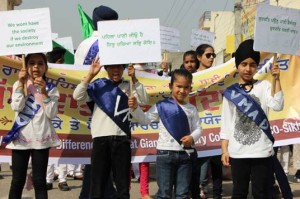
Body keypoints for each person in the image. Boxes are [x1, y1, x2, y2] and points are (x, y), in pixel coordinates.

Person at [73, 57, 149, 199]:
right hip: (100, 138)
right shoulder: (98, 85)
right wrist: (90, 75)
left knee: (122, 185)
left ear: (123, 68)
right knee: (98, 185)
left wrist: (134, 79)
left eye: (119, 67)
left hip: (122, 139)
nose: (116, 70)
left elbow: (145, 100)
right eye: (112, 67)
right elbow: (77, 95)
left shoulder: (129, 86)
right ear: (106, 69)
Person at [220, 39, 284, 198]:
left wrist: (277, 79)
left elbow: (277, 105)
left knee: (260, 193)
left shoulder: (265, 85)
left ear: (257, 66)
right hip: (237, 152)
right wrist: (224, 150)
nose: (248, 69)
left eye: (252, 64)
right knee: (239, 192)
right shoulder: (231, 92)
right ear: (237, 66)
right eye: (243, 64)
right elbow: (226, 123)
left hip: (261, 151)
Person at [128, 69, 202, 199]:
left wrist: (192, 137)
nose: (182, 90)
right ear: (170, 86)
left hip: (185, 155)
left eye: (186, 87)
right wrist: (135, 108)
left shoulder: (192, 109)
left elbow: (198, 129)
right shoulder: (162, 105)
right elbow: (145, 120)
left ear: (190, 88)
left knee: (182, 194)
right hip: (165, 154)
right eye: (178, 86)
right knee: (164, 194)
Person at [75, 5, 120, 199]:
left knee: (101, 151)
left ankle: (96, 192)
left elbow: (75, 72)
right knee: (103, 150)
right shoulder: (112, 43)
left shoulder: (84, 44)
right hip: (104, 101)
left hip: (95, 100)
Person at [4, 53, 61, 198]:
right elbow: (17, 106)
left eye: (40, 63)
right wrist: (21, 84)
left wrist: (43, 92)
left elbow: (51, 114)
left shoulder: (51, 88)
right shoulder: (19, 84)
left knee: (39, 181)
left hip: (41, 138)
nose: (36, 67)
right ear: (26, 66)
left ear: (46, 67)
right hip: (21, 137)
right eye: (32, 63)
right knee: (17, 181)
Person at [190, 44, 222, 199]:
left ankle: (217, 194)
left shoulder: (219, 76)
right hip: (198, 128)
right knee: (199, 166)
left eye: (213, 55)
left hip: (216, 126)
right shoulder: (191, 78)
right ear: (199, 57)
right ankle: (197, 192)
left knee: (217, 165)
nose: (211, 58)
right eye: (208, 55)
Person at [45, 47, 71, 191]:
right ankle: (48, 179)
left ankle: (62, 179)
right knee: (48, 148)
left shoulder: (67, 75)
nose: (64, 63)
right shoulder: (46, 77)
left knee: (63, 148)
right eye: (61, 60)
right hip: (49, 115)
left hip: (65, 115)